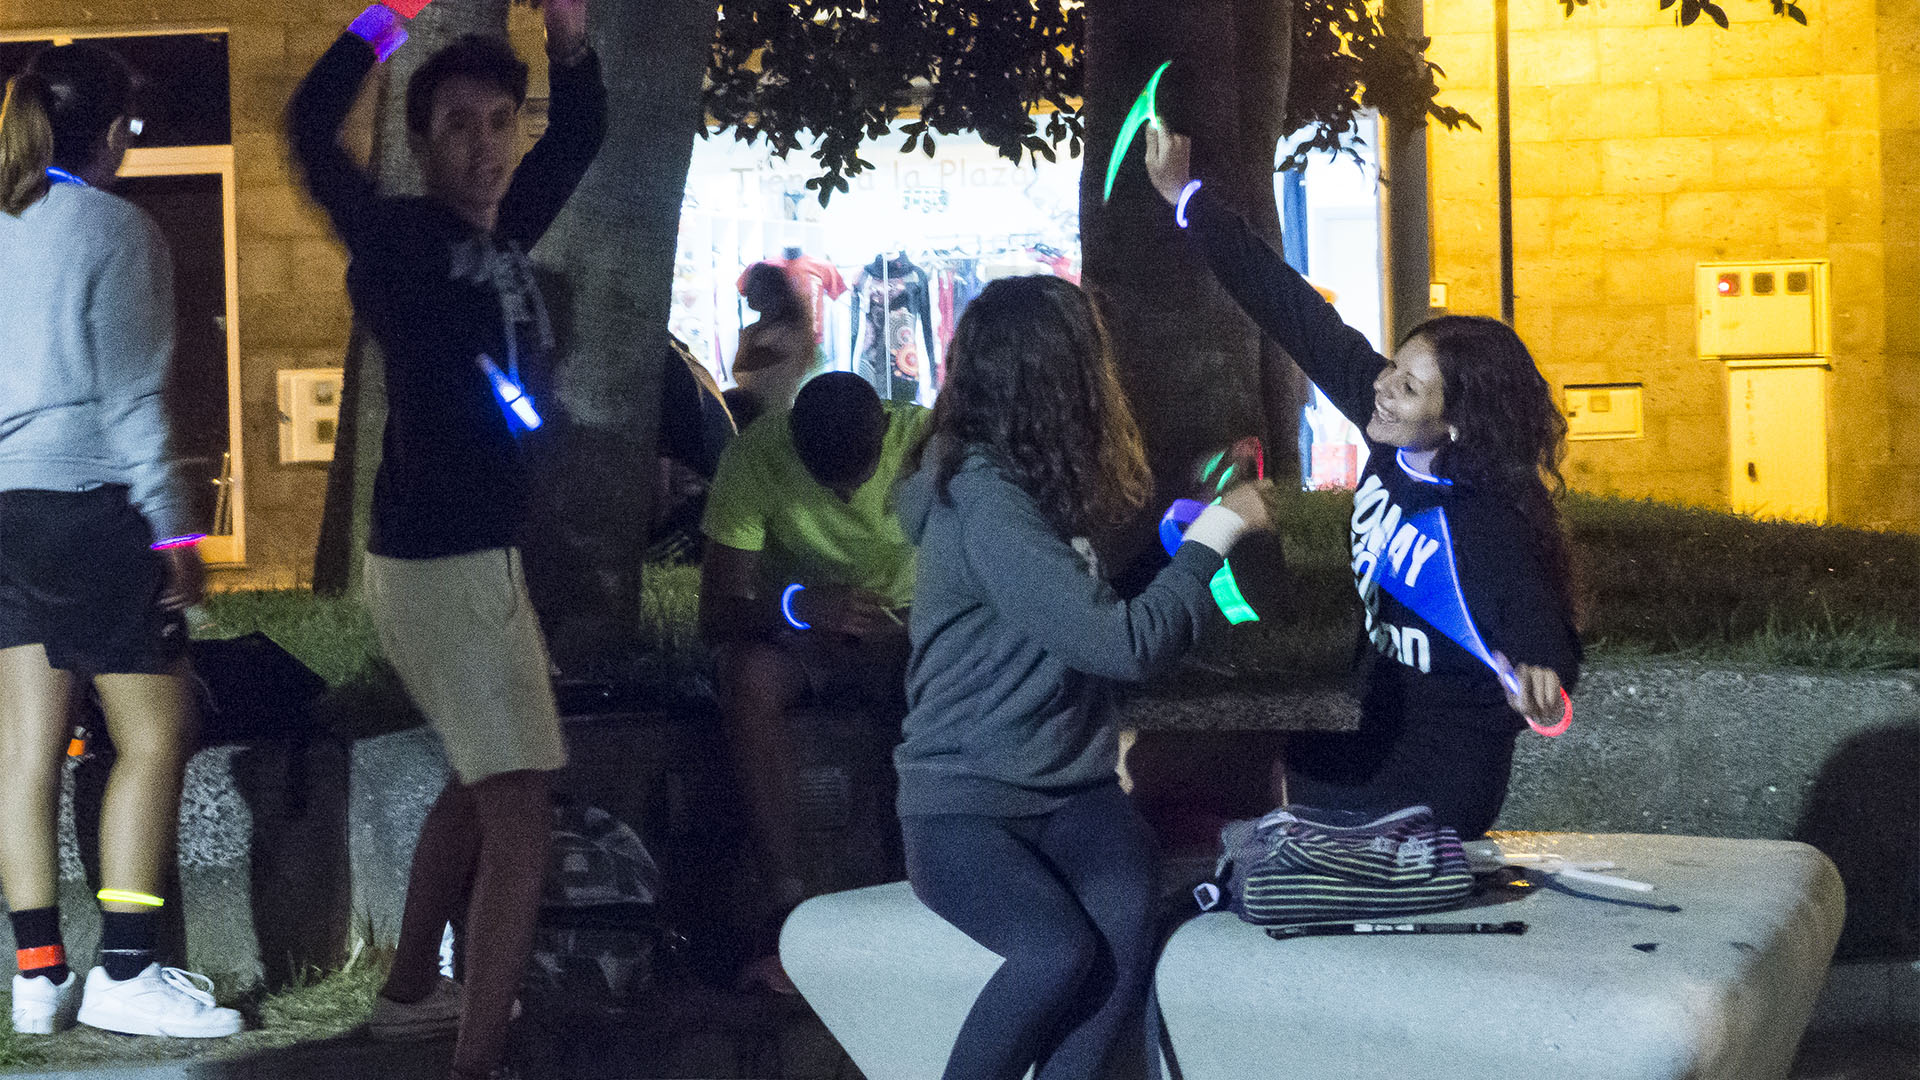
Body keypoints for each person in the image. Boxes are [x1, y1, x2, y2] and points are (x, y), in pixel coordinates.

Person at [287, 3, 604, 1076]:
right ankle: (476, 1061)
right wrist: (385, 20)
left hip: (473, 556)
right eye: (458, 124)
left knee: (484, 784)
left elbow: (584, 132)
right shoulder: (397, 241)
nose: (484, 145)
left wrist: (569, 40)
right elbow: (304, 128)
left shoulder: (502, 235)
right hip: (442, 559)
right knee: (520, 811)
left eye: (499, 122)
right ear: (421, 142)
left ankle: (415, 987)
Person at [1145, 125, 1581, 840]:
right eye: (1392, 368)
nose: (1383, 390)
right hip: (1366, 734)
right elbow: (1290, 308)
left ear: (1457, 423)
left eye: (1410, 388)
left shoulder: (1486, 518)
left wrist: (1545, 680)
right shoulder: (1388, 432)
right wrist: (1187, 198)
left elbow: (1540, 624)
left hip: (1439, 779)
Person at [893, 274, 1275, 1080]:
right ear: (1062, 378)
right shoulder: (983, 499)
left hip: (1076, 797)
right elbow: (1123, 644)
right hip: (966, 806)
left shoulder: (1027, 488)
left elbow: (1091, 610)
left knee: (1126, 929)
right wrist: (1218, 532)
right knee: (1053, 952)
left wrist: (1192, 532)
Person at [0, 42, 244, 1040]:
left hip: (1, 512)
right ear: (111, 134)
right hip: (90, 509)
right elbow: (137, 402)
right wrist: (175, 529)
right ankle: (127, 973)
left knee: (23, 748)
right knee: (157, 730)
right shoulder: (121, 229)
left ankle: (35, 978)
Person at [698, 371, 926, 990]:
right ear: (795, 440)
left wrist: (912, 625)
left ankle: (926, 896)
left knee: (944, 683)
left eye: (858, 471)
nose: (847, 493)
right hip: (804, 641)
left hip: (911, 640)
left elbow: (982, 571)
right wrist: (800, 607)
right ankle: (787, 902)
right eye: (825, 478)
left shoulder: (927, 441)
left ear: (884, 425)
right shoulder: (757, 456)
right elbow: (718, 611)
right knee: (745, 679)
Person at [728, 261, 818, 430]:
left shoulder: (786, 334)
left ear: (770, 291)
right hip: (757, 419)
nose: (747, 293)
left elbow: (743, 368)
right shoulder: (759, 331)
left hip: (773, 420)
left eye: (754, 286)